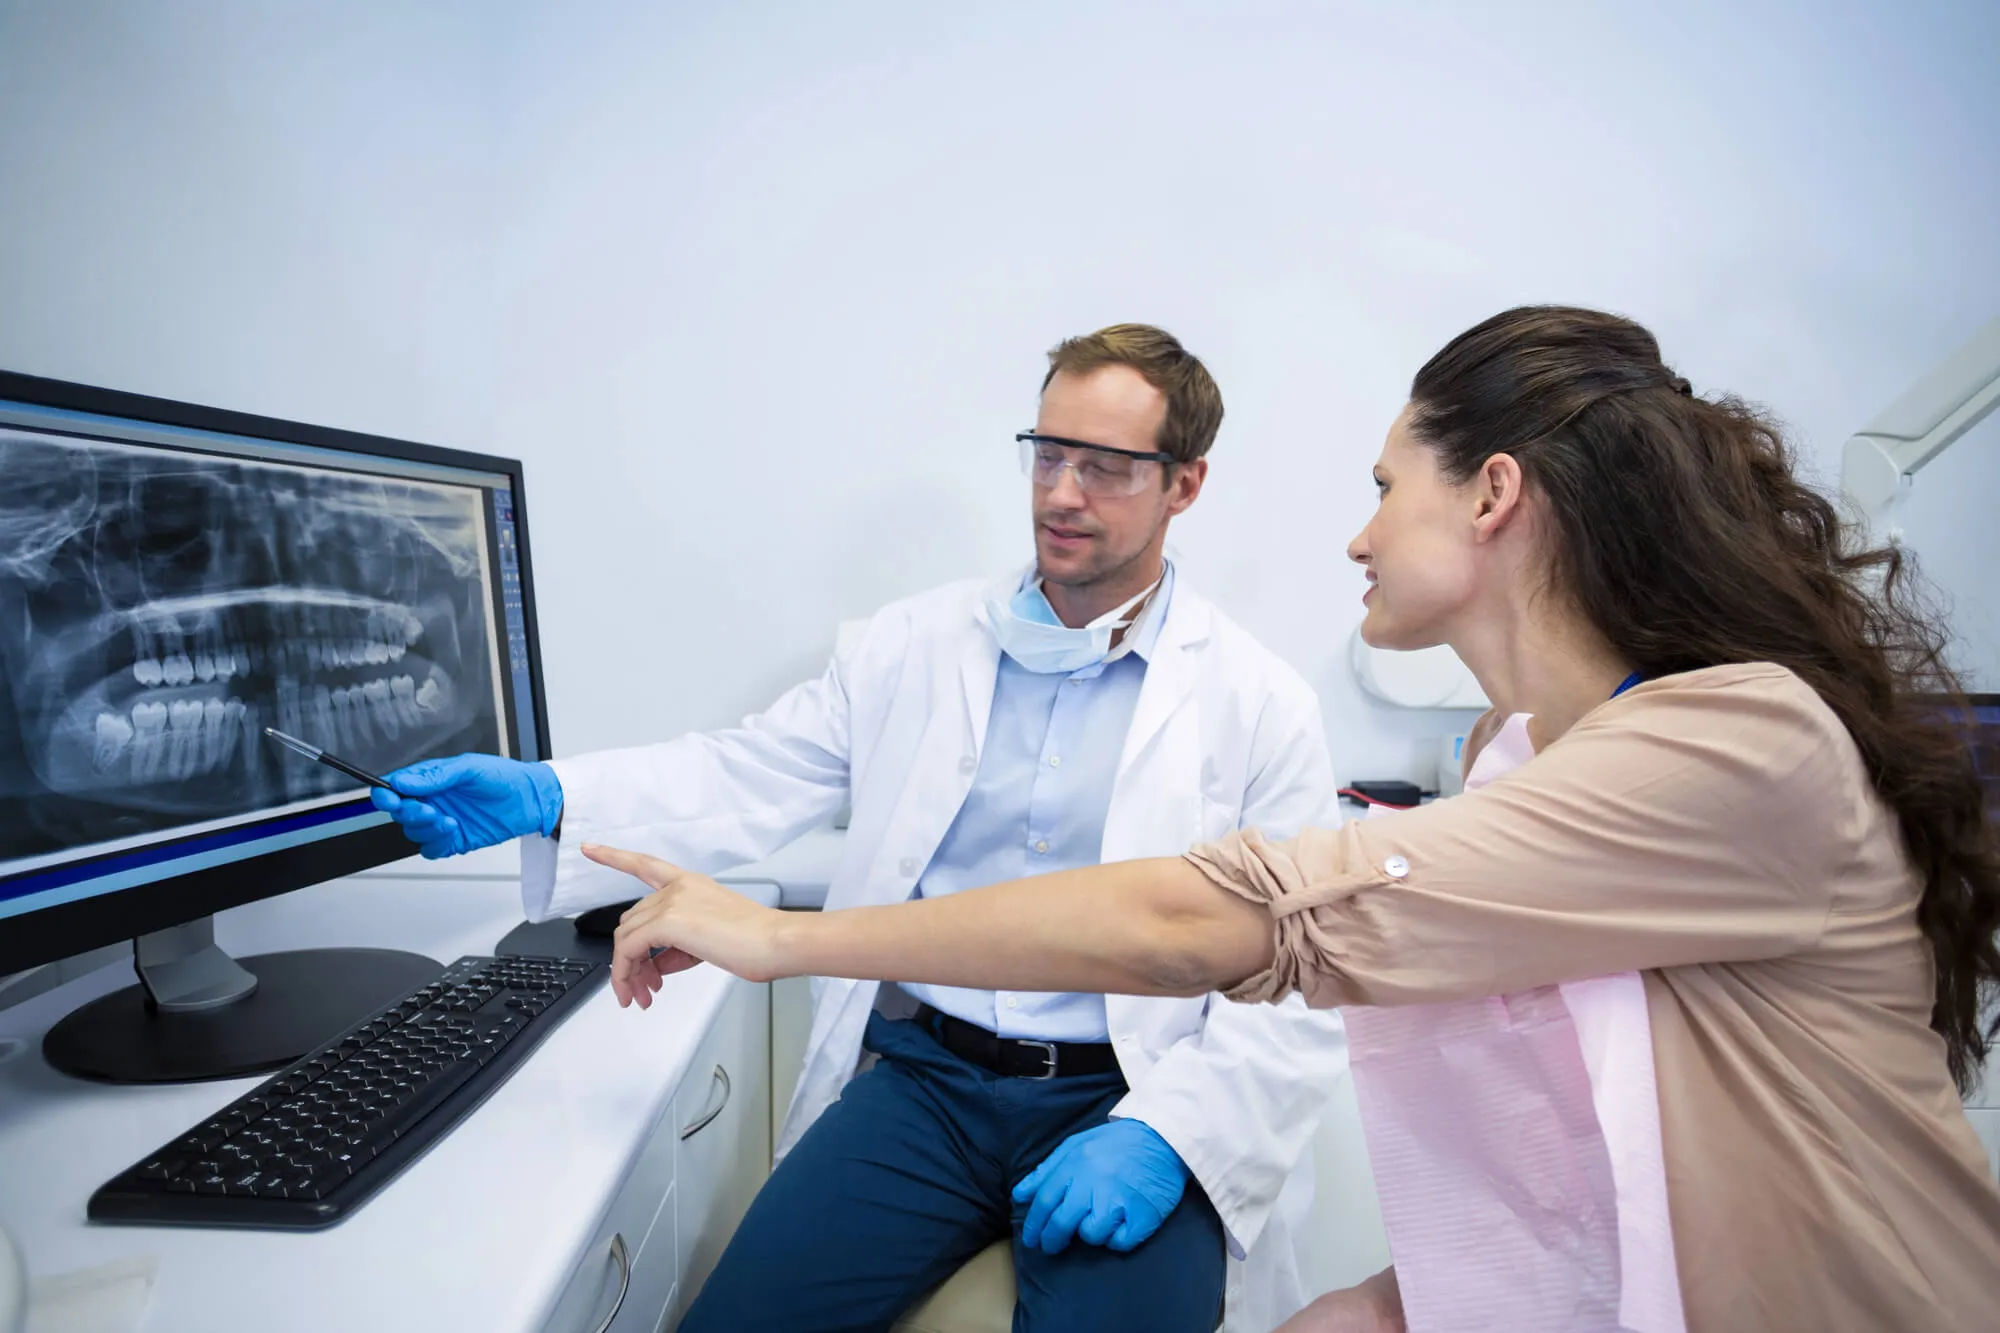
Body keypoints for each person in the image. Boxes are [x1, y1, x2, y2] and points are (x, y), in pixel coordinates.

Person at [584, 307, 2000, 1332]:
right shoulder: (1521, 760)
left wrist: (781, 936)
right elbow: (1571, 1163)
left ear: (1495, 495)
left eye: (1386, 489)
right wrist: (1387, 1309)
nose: (1360, 535)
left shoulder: (1737, 742)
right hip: (928, 1082)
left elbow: (1225, 919)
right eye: (1046, 454)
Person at [371, 324, 1351, 1332]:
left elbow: (1301, 970)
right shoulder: (913, 646)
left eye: (1103, 468)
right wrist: (550, 793)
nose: (1061, 493)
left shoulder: (1255, 702)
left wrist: (1171, 1133)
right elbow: (748, 769)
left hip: (1129, 1092)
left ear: (1182, 485)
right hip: (927, 1087)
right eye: (1048, 454)